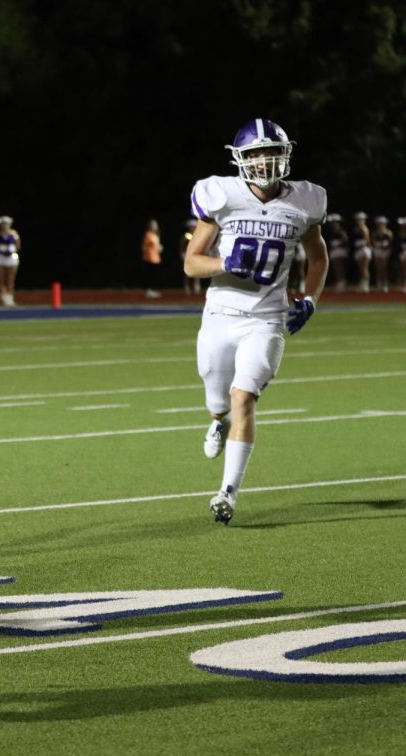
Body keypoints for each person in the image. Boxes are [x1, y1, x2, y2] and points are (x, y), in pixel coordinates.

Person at [184, 118, 327, 525]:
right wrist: (225, 262)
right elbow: (192, 263)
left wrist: (311, 300)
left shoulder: (306, 200)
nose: (265, 162)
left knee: (243, 397)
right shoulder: (221, 195)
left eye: (272, 152)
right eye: (256, 154)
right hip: (219, 316)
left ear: (286, 155)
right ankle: (216, 422)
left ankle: (228, 492)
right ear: (240, 159)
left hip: (266, 318)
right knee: (218, 402)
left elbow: (318, 258)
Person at [0, 215, 20, 306]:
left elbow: (18, 246)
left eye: (6, 224)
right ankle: (4, 297)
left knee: (10, 279)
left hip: (12, 257)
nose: (4, 226)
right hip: (1, 257)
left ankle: (10, 297)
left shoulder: (14, 234)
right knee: (2, 278)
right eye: (3, 224)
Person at [370, 215, 393, 293]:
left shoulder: (389, 233)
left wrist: (385, 247)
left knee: (384, 268)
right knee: (378, 268)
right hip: (377, 250)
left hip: (385, 251)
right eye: (379, 223)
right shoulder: (374, 233)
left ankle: (385, 284)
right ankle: (379, 284)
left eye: (382, 223)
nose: (380, 225)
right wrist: (376, 247)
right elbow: (373, 242)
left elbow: (390, 243)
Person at [179, 219, 202, 295]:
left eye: (194, 227)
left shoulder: (198, 235)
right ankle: (187, 287)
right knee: (187, 272)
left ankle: (196, 286)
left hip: (196, 255)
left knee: (197, 271)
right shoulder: (187, 235)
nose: (192, 228)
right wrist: (182, 253)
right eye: (191, 227)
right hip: (187, 255)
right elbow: (182, 243)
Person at [141, 218, 163, 298]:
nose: (155, 226)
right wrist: (147, 249)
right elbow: (144, 246)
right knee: (150, 275)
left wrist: (159, 248)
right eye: (153, 225)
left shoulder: (156, 235)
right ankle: (149, 290)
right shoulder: (148, 234)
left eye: (155, 224)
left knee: (155, 275)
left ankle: (154, 290)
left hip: (156, 258)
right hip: (149, 258)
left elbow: (157, 246)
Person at [351, 211, 371, 293]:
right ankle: (362, 285)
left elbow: (367, 240)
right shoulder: (356, 229)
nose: (359, 221)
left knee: (364, 268)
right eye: (358, 219)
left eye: (360, 219)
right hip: (358, 249)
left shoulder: (364, 228)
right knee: (361, 269)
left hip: (364, 249)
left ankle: (366, 286)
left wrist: (368, 248)